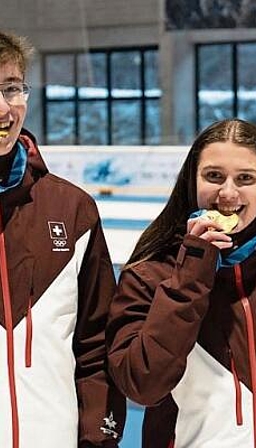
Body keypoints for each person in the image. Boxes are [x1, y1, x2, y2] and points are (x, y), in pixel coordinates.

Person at [106, 118, 256, 447]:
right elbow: (141, 384)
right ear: (193, 180)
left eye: (245, 178)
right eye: (213, 176)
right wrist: (191, 271)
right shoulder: (150, 276)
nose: (228, 192)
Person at [0, 31, 126, 447]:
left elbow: (97, 349)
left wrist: (98, 439)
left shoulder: (73, 211)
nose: (3, 108)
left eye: (12, 88)